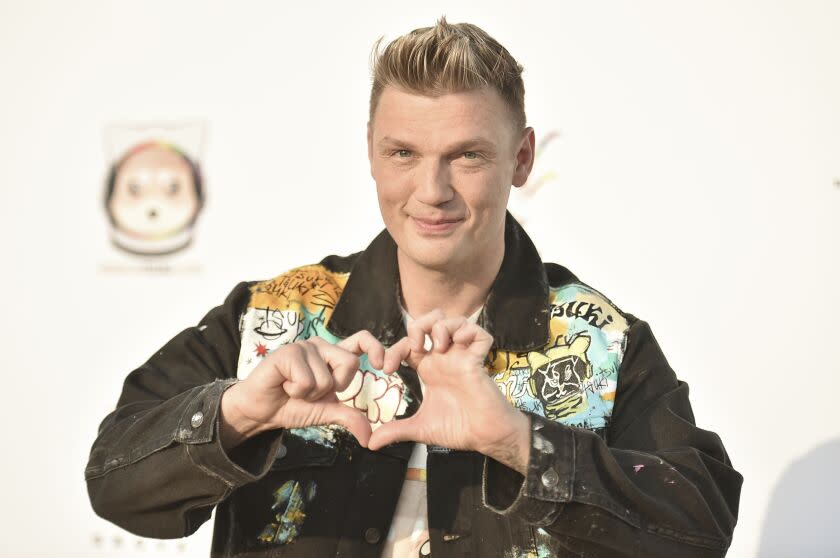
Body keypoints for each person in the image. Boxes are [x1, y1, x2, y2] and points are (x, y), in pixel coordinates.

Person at [85, 16, 743, 557]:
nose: (432, 192)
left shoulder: (603, 343)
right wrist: (240, 415)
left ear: (521, 159)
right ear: (371, 150)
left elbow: (698, 531)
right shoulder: (269, 317)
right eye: (404, 154)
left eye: (467, 156)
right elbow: (114, 484)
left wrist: (518, 442)